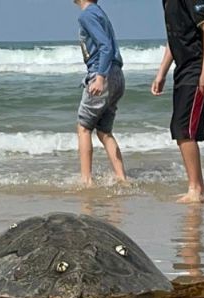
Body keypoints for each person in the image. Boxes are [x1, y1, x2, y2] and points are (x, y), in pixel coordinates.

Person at [151, 0, 204, 204]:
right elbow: (175, 39)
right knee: (181, 128)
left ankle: (196, 189)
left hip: (198, 68)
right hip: (183, 70)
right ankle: (196, 187)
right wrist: (161, 73)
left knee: (184, 129)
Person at [74, 0, 127, 187]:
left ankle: (86, 180)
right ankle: (122, 178)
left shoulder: (87, 14)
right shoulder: (98, 12)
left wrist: (100, 77)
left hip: (102, 74)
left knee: (83, 127)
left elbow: (105, 46)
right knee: (104, 131)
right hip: (117, 74)